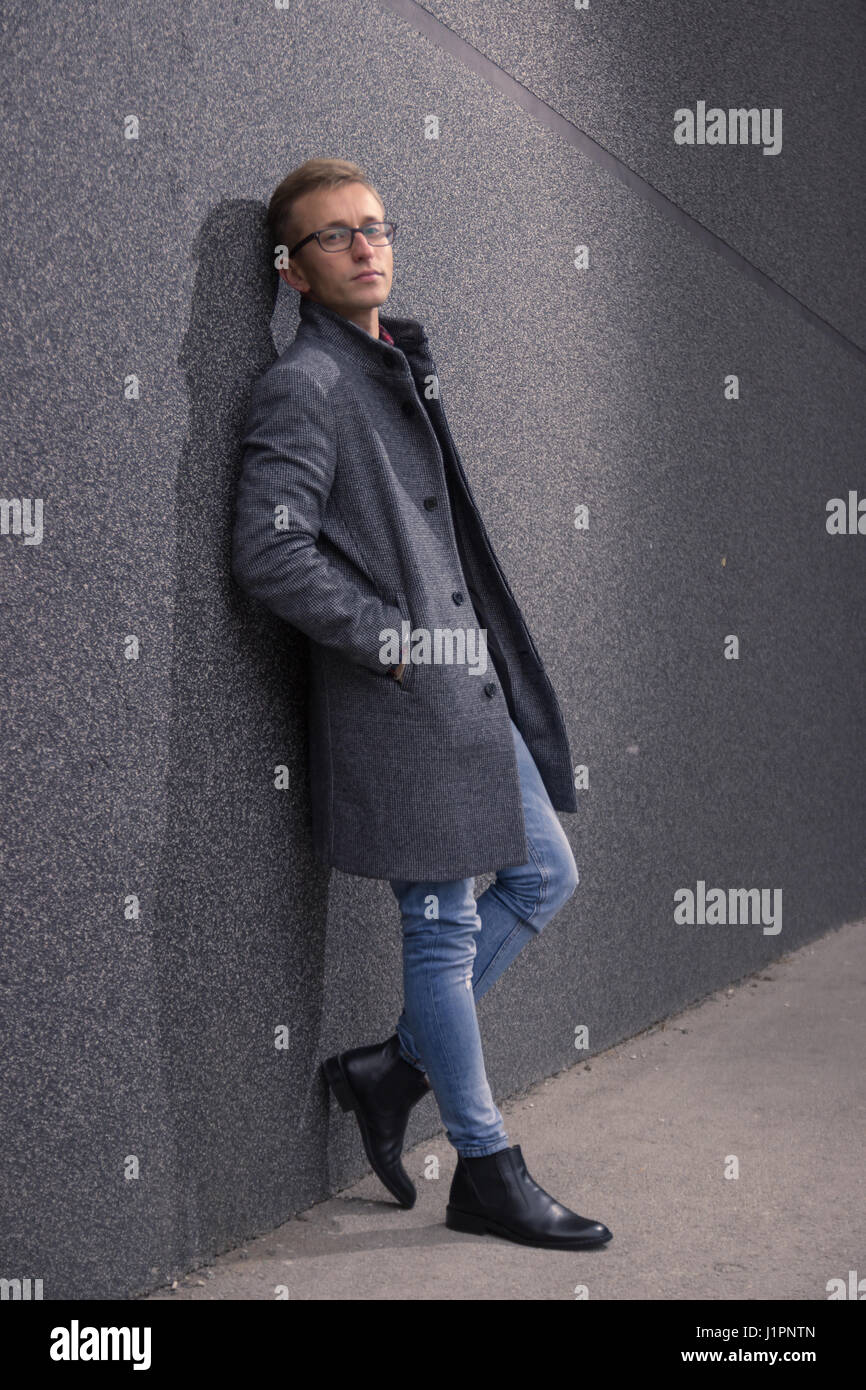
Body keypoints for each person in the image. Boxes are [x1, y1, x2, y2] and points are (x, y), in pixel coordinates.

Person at [232, 158, 611, 1251]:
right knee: (439, 927)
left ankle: (392, 1068)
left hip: (462, 695)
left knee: (545, 872)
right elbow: (268, 549)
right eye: (332, 236)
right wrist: (394, 647)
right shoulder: (305, 385)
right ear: (292, 271)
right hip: (404, 705)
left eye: (373, 226)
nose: (363, 246)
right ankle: (486, 1164)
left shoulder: (391, 362)